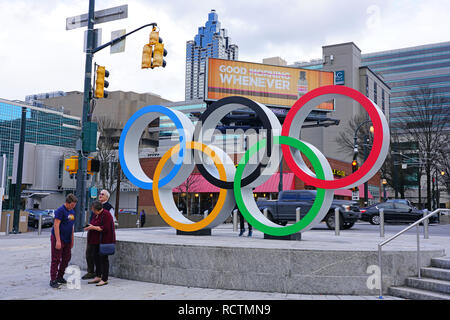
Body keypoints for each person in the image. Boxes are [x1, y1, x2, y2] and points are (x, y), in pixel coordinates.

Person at [82, 189, 115, 280]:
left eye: (102, 194)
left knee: (102, 258)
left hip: (103, 239)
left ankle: (103, 277)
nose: (100, 195)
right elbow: (94, 221)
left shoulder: (107, 210)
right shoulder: (95, 208)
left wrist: (93, 227)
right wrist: (90, 226)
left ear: (107, 197)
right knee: (92, 255)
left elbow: (107, 226)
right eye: (100, 194)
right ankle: (94, 273)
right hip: (94, 238)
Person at [49, 193, 78, 289]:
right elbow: (56, 225)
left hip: (67, 239)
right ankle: (53, 279)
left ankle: (60, 277)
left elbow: (71, 226)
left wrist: (72, 240)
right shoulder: (60, 211)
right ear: (68, 203)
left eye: (74, 205)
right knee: (56, 259)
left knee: (66, 258)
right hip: (58, 238)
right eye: (72, 205)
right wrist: (58, 241)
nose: (73, 207)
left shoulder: (72, 212)